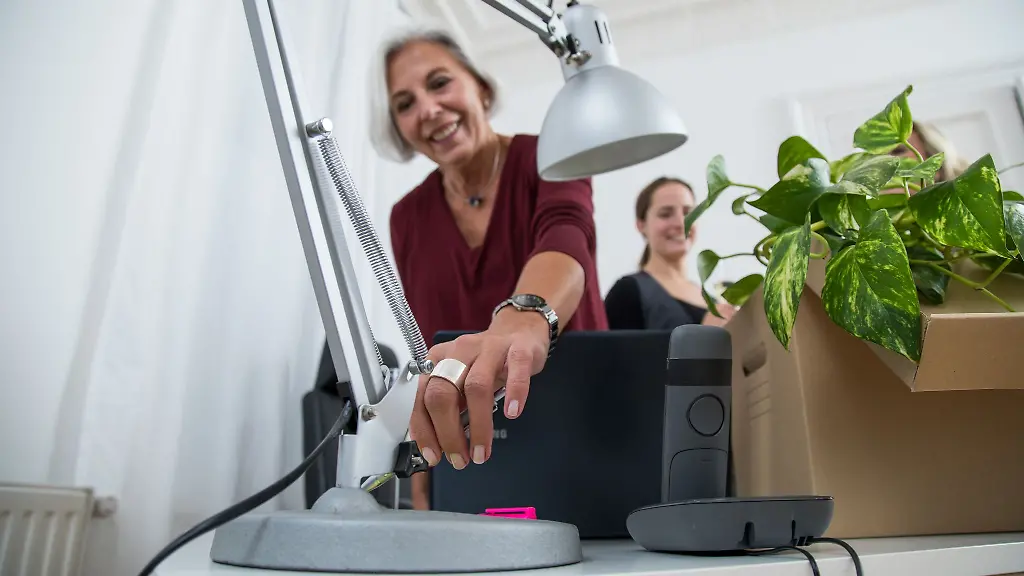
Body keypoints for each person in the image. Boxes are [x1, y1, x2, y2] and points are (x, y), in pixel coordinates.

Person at [370, 26, 608, 509]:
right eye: (405, 103)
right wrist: (422, 484)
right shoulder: (407, 218)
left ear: (479, 85)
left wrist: (523, 320)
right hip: (474, 452)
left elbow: (567, 239)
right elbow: (426, 348)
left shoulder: (548, 156)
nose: (428, 109)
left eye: (439, 83)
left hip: (585, 426)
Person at [604, 177, 736, 330]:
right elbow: (620, 354)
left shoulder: (713, 301)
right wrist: (703, 337)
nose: (681, 223)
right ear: (641, 225)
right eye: (665, 214)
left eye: (688, 212)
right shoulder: (628, 292)